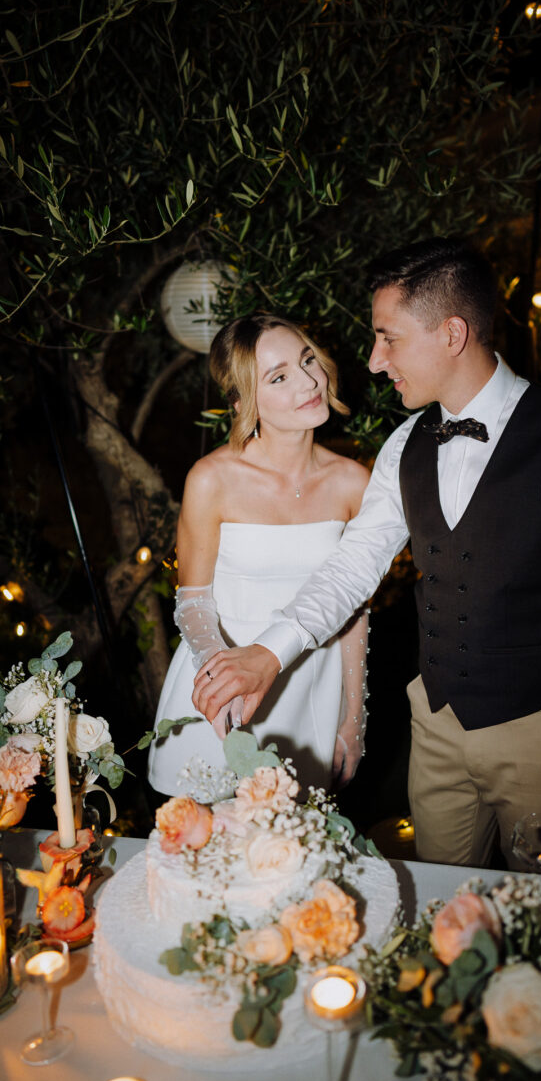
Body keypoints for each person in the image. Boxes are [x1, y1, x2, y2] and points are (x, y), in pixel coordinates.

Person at [192, 239, 541, 867]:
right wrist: (269, 655)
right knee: (439, 919)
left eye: (390, 339)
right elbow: (354, 566)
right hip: (433, 731)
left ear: (452, 333)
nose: (375, 362)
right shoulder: (405, 444)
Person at [148, 313, 370, 797]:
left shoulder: (353, 482)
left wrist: (354, 716)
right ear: (243, 401)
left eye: (307, 360)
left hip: (310, 693)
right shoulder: (211, 479)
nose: (309, 382)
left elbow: (352, 611)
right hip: (217, 693)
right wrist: (222, 678)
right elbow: (193, 600)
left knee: (295, 858)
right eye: (280, 377)